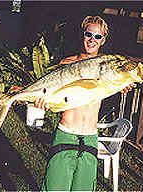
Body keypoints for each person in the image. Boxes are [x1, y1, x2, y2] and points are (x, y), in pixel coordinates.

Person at [35, 15, 133, 191]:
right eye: (89, 34)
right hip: (66, 133)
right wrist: (42, 103)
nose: (92, 40)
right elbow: (51, 94)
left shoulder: (108, 66)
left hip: (90, 137)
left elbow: (117, 82)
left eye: (98, 36)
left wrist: (123, 85)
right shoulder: (66, 63)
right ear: (82, 35)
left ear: (103, 40)